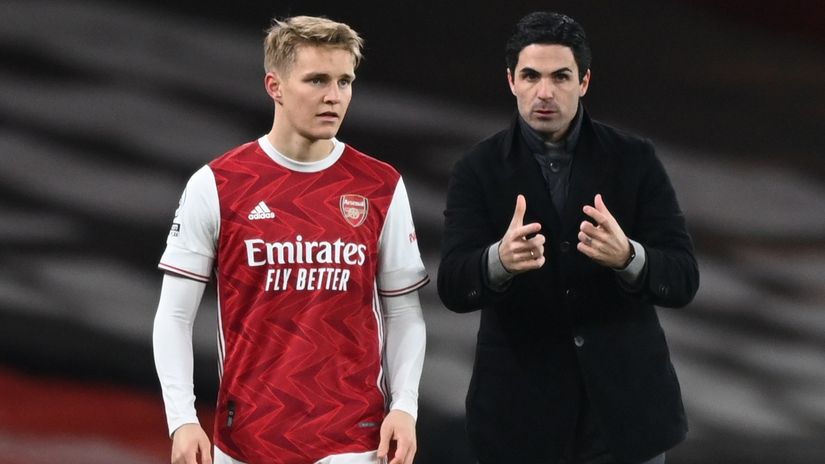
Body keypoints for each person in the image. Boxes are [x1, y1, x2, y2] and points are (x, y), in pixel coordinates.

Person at [153, 15, 428, 464]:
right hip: (246, 442)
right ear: (274, 86)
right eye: (317, 79)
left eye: (345, 81)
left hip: (353, 441)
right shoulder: (217, 184)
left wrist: (405, 406)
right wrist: (181, 418)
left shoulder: (381, 185)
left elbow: (402, 310)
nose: (334, 96)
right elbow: (174, 316)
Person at [437, 11, 699, 464]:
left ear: (584, 81)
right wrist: (497, 260)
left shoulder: (634, 159)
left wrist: (629, 257)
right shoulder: (477, 169)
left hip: (623, 419)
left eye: (560, 76)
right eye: (531, 76)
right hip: (520, 419)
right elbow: (454, 286)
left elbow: (683, 278)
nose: (545, 92)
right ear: (511, 81)